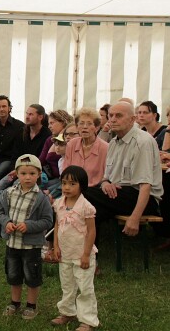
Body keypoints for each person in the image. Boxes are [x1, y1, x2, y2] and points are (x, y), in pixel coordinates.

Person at [84, 101, 163, 237]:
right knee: (90, 211)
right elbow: (106, 177)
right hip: (118, 194)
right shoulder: (113, 142)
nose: (113, 119)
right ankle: (86, 249)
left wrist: (135, 218)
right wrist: (105, 184)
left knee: (83, 193)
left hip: (143, 198)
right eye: (111, 116)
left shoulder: (142, 141)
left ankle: (53, 242)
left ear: (132, 119)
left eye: (119, 116)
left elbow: (145, 185)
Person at [0, 154, 53, 320]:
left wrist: (29, 226)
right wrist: (6, 222)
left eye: (32, 173)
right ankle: (15, 302)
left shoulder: (41, 198)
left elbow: (48, 221)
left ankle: (31, 305)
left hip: (31, 246)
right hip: (13, 244)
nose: (28, 177)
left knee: (32, 276)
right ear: (16, 174)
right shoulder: (8, 193)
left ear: (39, 174)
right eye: (23, 173)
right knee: (13, 275)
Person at [51, 166, 99, 330]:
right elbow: (57, 225)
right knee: (67, 285)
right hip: (65, 253)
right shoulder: (59, 203)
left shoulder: (86, 207)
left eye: (72, 184)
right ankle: (67, 312)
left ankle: (88, 320)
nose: (67, 187)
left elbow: (92, 231)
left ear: (82, 185)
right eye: (64, 183)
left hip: (81, 254)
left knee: (85, 288)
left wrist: (86, 254)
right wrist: (56, 246)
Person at [63, 108, 109, 187]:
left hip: (95, 189)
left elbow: (107, 175)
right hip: (72, 187)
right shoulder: (71, 144)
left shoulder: (105, 148)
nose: (85, 127)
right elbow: (66, 170)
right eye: (81, 123)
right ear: (77, 126)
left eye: (89, 124)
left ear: (97, 127)